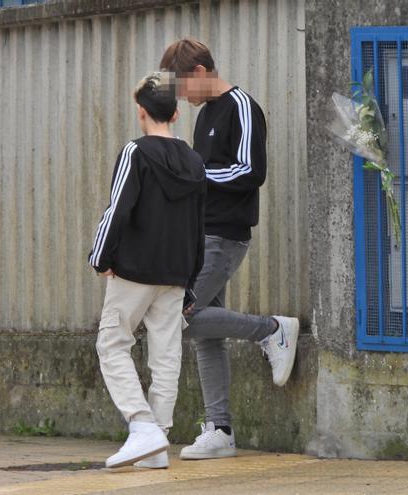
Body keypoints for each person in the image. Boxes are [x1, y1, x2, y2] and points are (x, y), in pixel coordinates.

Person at [159, 38, 300, 461]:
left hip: (224, 234)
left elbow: (250, 171)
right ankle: (220, 430)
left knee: (179, 316)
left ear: (200, 71)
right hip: (200, 235)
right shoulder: (204, 118)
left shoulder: (242, 106)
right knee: (205, 332)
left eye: (183, 85)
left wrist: (194, 173)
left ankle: (271, 330)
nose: (182, 95)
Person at [89, 72, 207, 469]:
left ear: (142, 112)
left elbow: (117, 209)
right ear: (176, 113)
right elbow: (198, 224)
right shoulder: (194, 160)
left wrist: (100, 258)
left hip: (135, 270)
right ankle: (158, 442)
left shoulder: (135, 153)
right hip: (176, 273)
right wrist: (190, 278)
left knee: (112, 343)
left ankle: (142, 428)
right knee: (166, 355)